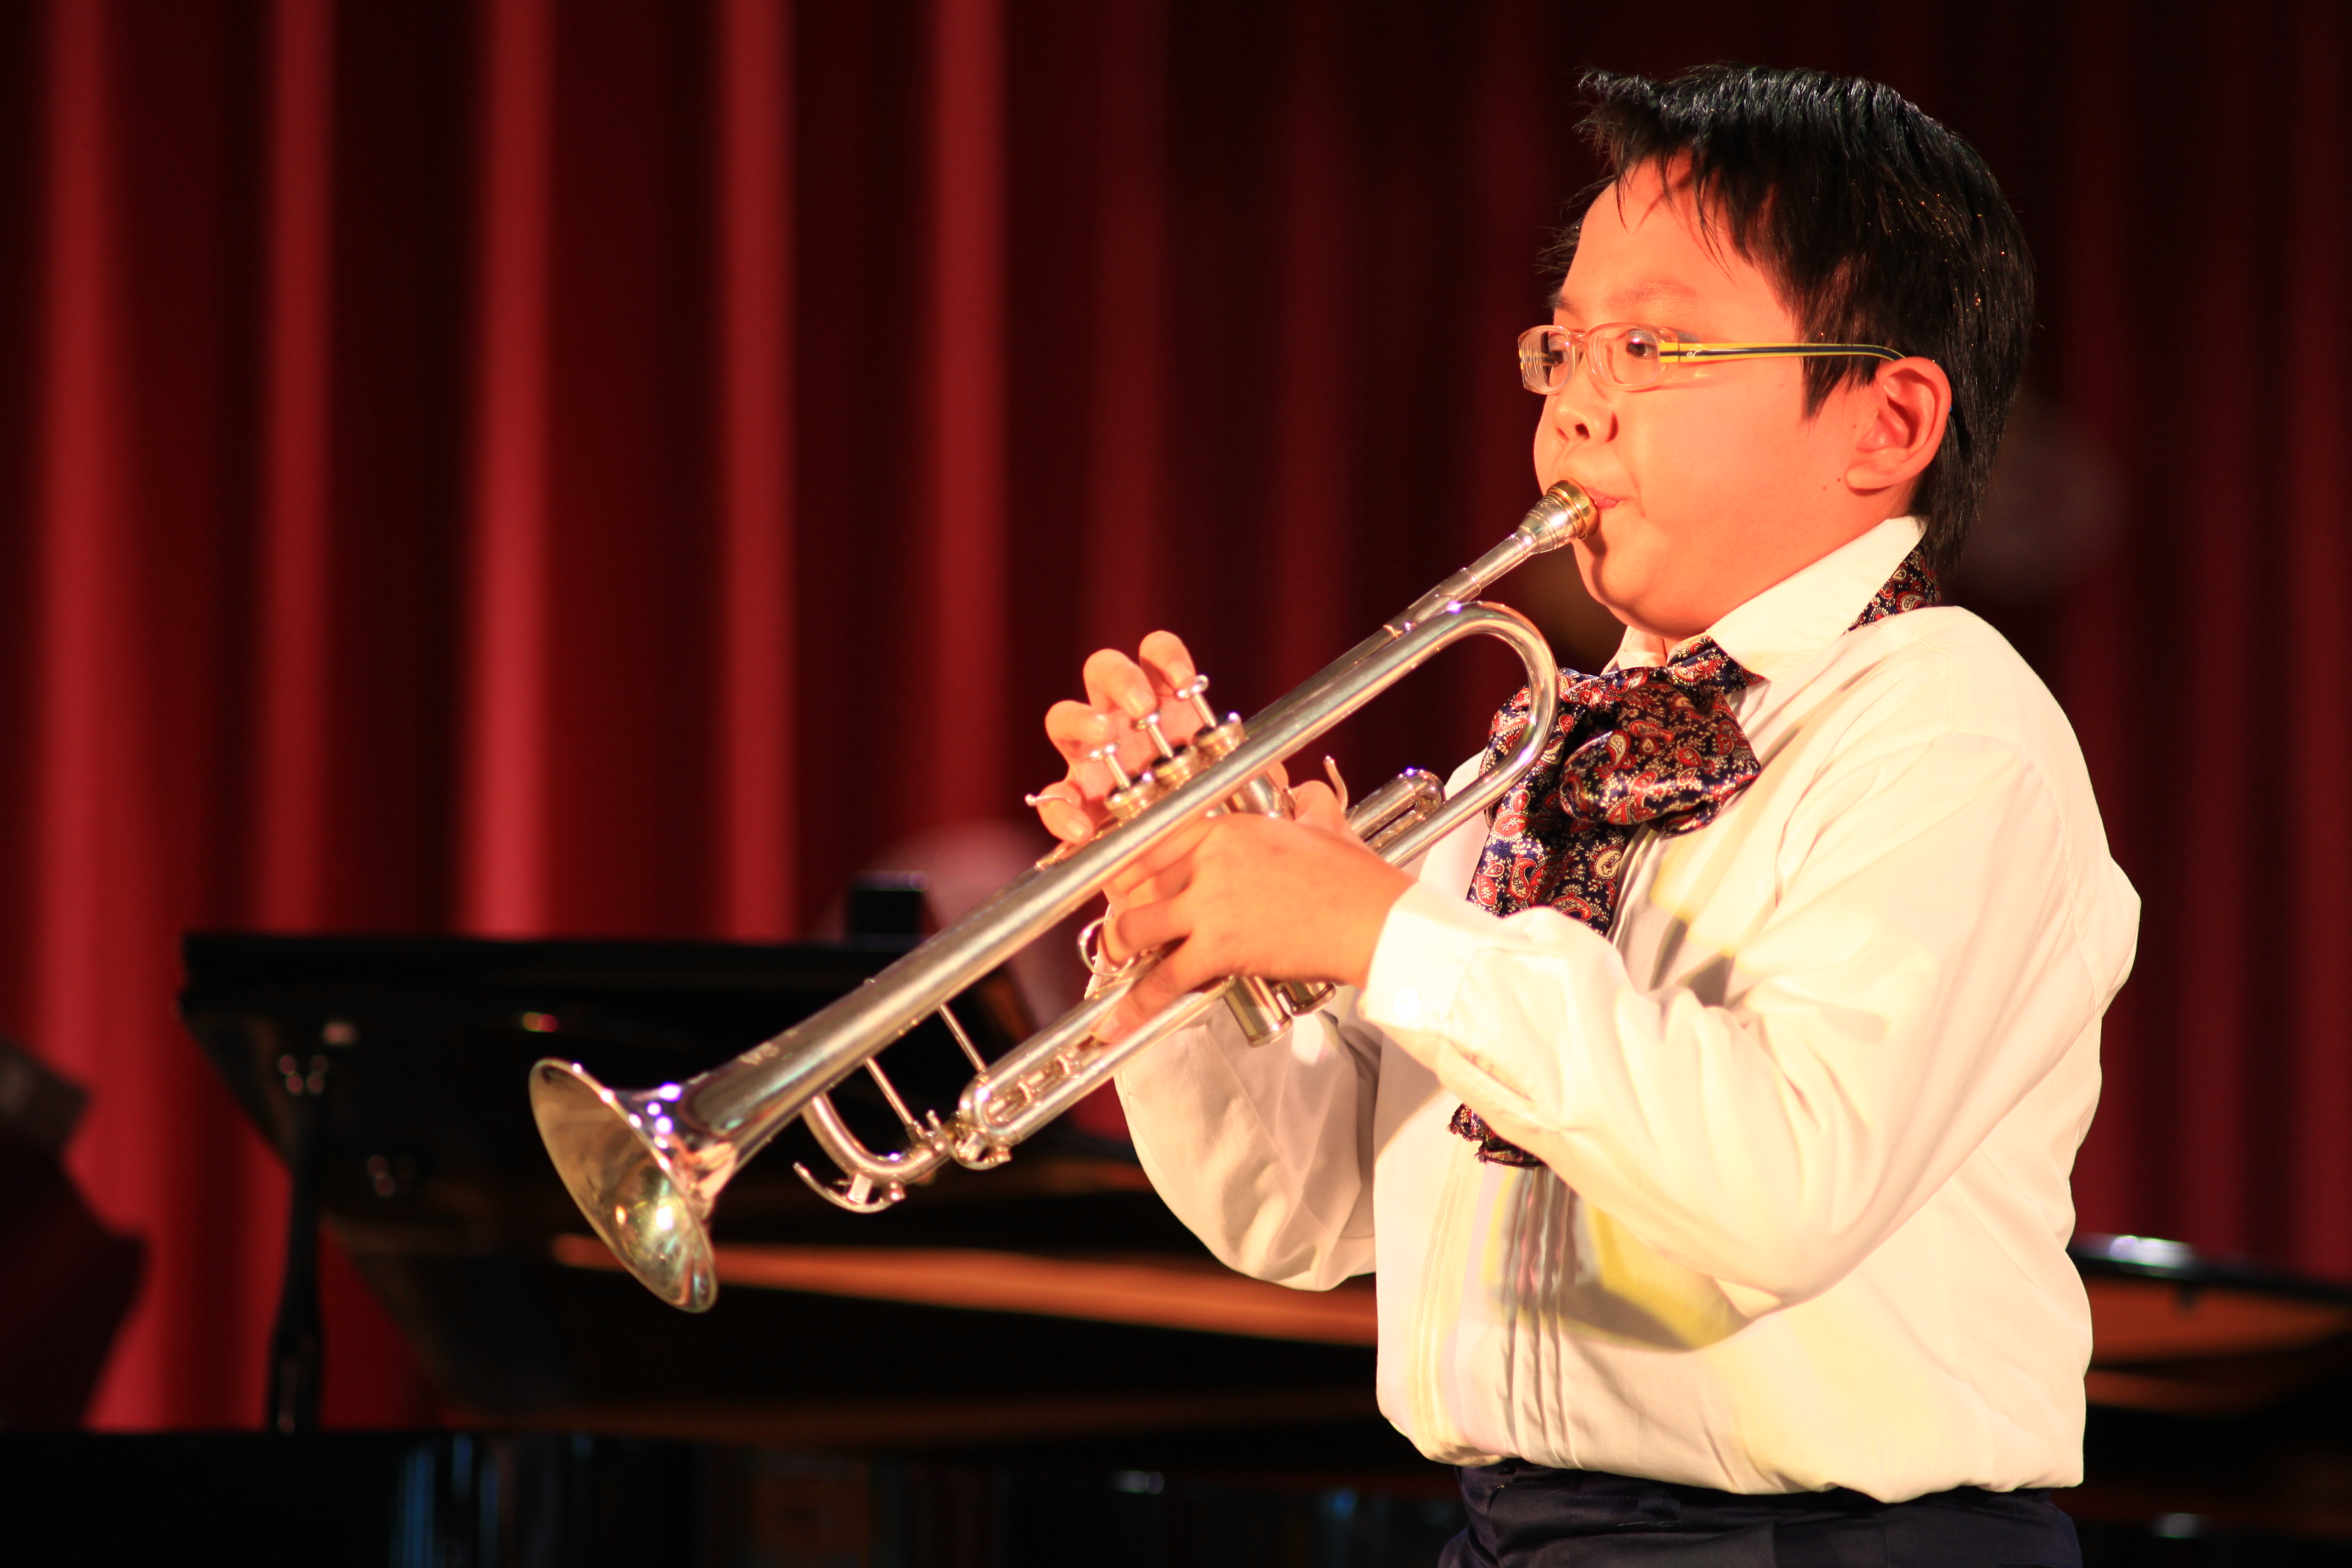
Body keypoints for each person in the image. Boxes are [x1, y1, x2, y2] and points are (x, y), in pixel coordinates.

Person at [1030, 64, 2137, 1566]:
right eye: (1563, 346)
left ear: (1885, 423)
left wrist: (1385, 935)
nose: (1578, 403)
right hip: (1515, 1533)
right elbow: (1307, 1217)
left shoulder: (1949, 728)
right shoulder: (1543, 747)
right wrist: (1191, 941)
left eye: (1653, 346)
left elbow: (1782, 1190)